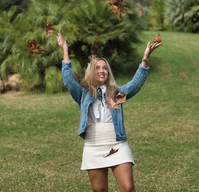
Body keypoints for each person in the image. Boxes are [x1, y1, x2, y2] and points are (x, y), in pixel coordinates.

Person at [57, 33, 162, 192]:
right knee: (99, 190)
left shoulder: (116, 93)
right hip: (93, 145)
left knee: (127, 188)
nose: (101, 70)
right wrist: (65, 50)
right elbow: (69, 81)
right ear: (91, 71)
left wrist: (145, 59)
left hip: (117, 142)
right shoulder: (83, 94)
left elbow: (135, 84)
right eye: (97, 67)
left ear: (109, 72)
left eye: (105, 68)